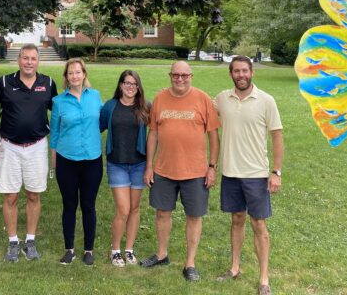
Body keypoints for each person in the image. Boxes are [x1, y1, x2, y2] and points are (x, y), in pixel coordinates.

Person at [141, 60, 220, 282]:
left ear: (191, 76)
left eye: (184, 75)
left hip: (195, 171)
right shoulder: (160, 99)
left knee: (194, 216)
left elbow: (213, 135)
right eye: (176, 75)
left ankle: (190, 263)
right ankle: (162, 254)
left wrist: (212, 167)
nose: (180, 79)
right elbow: (153, 134)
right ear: (170, 75)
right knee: (162, 213)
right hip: (164, 169)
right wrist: (149, 167)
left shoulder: (203, 99)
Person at [214, 56, 283, 295]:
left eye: (245, 71)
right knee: (236, 220)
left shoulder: (266, 100)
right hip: (230, 173)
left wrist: (276, 172)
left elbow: (277, 136)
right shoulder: (222, 99)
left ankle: (264, 279)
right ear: (231, 74)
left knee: (259, 224)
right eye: (236, 71)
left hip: (256, 174)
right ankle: (235, 268)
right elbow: (198, 109)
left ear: (252, 72)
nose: (241, 75)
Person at [0, 43, 57, 262]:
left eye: (33, 58)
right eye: (25, 58)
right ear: (18, 60)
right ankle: (13, 241)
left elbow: (58, 113)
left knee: (33, 194)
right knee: (10, 195)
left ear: (38, 61)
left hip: (37, 146)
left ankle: (30, 240)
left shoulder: (48, 83)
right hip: (9, 146)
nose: (29, 62)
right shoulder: (3, 83)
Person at [49, 58, 104, 266]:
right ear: (66, 77)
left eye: (78, 72)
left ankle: (88, 250)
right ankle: (69, 249)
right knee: (69, 205)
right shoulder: (58, 101)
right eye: (70, 73)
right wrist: (54, 160)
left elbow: (102, 122)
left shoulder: (96, 96)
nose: (74, 76)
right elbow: (54, 133)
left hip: (92, 160)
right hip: (66, 160)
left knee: (89, 205)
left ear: (84, 74)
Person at [99, 70, 149, 267]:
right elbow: (97, 127)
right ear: (120, 85)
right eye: (127, 83)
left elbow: (159, 125)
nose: (130, 87)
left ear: (138, 87)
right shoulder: (110, 106)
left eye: (134, 84)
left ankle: (129, 249)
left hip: (139, 164)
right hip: (117, 164)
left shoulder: (145, 107)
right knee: (123, 209)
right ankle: (115, 250)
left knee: (135, 209)